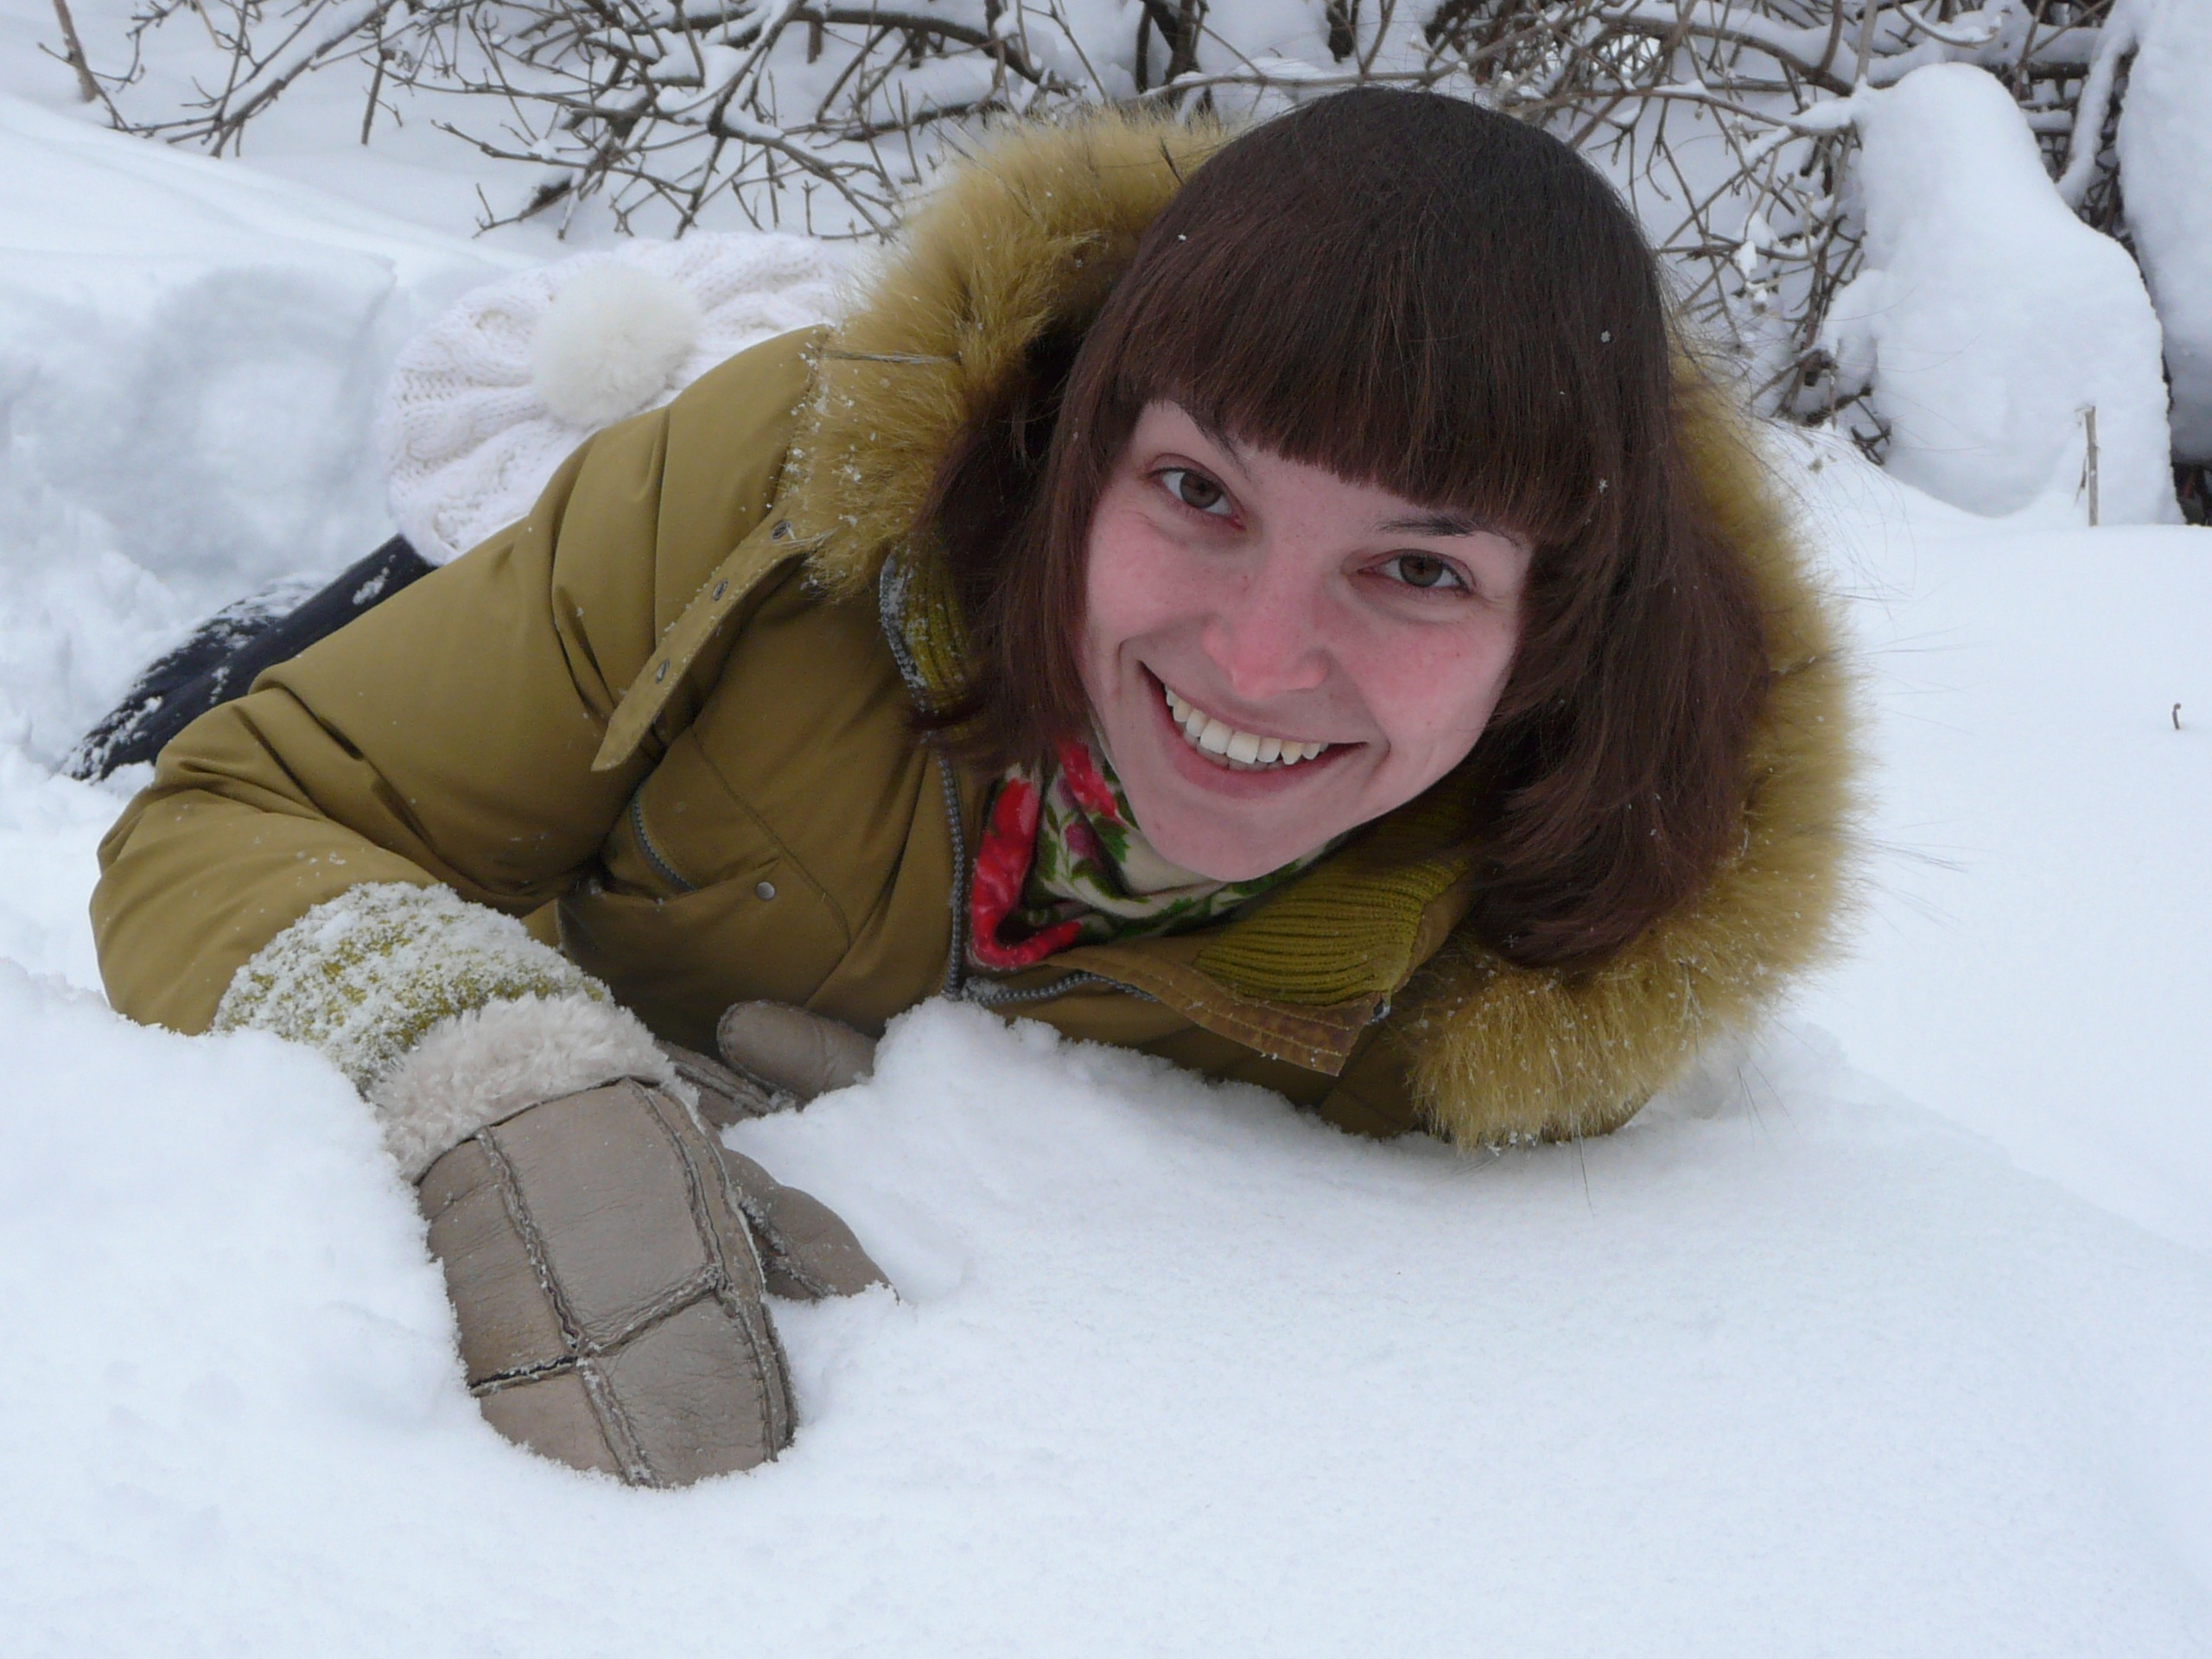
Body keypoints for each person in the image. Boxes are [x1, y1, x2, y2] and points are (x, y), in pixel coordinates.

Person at [89, 91, 1854, 1486]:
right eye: (1198, 492)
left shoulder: (1527, 995)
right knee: (170, 709)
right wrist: (484, 1061)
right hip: (565, 594)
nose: (1255, 662)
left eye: (1416, 571)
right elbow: (240, 807)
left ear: (1559, 633)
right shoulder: (766, 501)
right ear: (1083, 445)